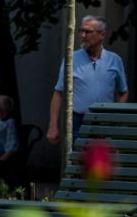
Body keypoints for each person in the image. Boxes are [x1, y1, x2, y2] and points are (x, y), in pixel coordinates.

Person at [46, 15, 128, 145]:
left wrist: (115, 116)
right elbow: (58, 92)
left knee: (101, 164)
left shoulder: (114, 60)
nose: (83, 36)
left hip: (105, 121)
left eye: (88, 32)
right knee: (79, 163)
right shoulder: (71, 59)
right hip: (79, 120)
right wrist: (53, 125)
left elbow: (124, 92)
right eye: (81, 31)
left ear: (102, 34)